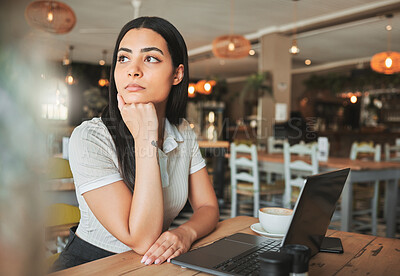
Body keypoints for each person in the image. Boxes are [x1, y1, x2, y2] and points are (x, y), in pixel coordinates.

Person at [51, 16, 219, 271]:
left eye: (150, 58)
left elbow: (208, 207)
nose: (133, 69)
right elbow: (141, 240)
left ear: (177, 73)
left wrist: (185, 233)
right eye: (123, 58)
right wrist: (146, 137)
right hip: (92, 265)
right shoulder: (90, 137)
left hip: (151, 266)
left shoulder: (182, 131)